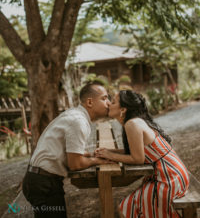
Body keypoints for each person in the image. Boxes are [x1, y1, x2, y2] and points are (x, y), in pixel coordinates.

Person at [22, 81, 111, 218]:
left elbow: (71, 153)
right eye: (104, 98)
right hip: (44, 183)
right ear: (90, 102)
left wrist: (90, 154)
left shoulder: (77, 116)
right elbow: (75, 164)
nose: (109, 103)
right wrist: (96, 160)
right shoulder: (78, 121)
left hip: (41, 180)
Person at [95, 90, 189, 218]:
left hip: (168, 177)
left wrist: (110, 155)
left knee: (125, 208)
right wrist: (108, 151)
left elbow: (138, 158)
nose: (109, 105)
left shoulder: (132, 124)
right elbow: (135, 152)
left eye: (113, 102)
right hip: (171, 172)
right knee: (127, 207)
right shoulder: (133, 122)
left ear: (123, 109)